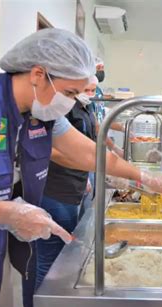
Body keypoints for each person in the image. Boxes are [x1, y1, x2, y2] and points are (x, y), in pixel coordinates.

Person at [0, 28, 162, 307]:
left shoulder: (40, 112)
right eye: (69, 92)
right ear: (38, 75)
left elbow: (90, 152)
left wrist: (143, 177)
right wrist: (5, 212)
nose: (71, 101)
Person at [35, 88, 98, 290]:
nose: (88, 92)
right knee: (50, 261)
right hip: (55, 189)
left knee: (60, 255)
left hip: (73, 186)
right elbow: (50, 150)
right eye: (82, 89)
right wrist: (90, 165)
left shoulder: (82, 107)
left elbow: (89, 146)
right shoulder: (51, 108)